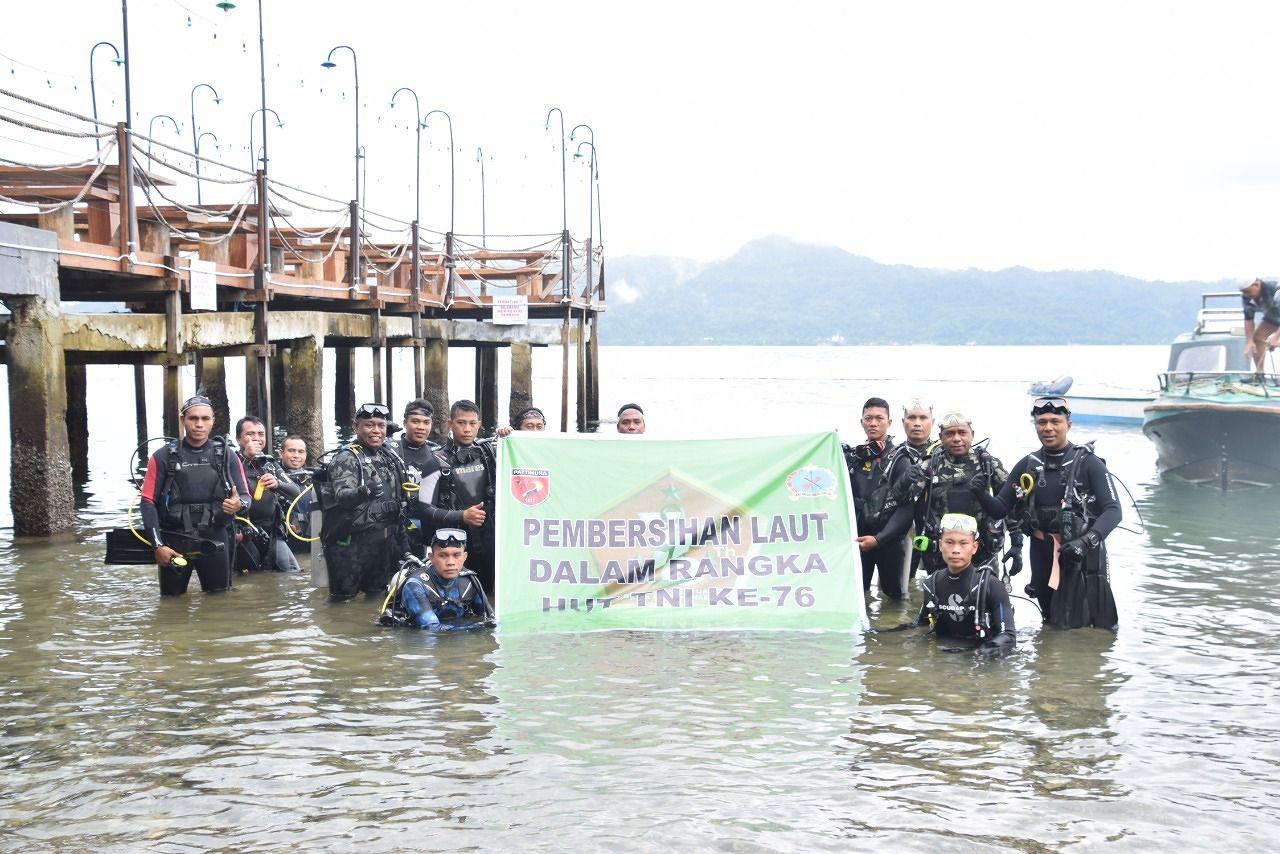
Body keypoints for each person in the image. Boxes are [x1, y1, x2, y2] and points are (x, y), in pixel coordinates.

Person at [974, 396, 1122, 629]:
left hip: (1080, 553)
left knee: (1084, 623)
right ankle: (1049, 663)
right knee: (1050, 621)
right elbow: (1001, 508)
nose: (1048, 428)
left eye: (1055, 421)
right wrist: (981, 495)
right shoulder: (1028, 464)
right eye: (1041, 422)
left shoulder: (1089, 463)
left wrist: (1086, 542)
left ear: (1068, 425)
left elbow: (1114, 511)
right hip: (1041, 551)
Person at [865, 409, 1023, 577]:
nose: (956, 439)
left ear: (972, 434)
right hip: (940, 555)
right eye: (950, 434)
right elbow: (902, 501)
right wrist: (904, 481)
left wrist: (1017, 544)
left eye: (962, 433)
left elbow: (1009, 504)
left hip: (982, 552)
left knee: (984, 599)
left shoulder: (988, 465)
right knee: (939, 601)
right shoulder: (930, 466)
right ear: (941, 437)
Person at [138, 395, 252, 595]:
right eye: (193, 418)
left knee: (219, 600)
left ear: (212, 421)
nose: (199, 424)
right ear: (183, 420)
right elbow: (147, 502)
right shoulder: (163, 456)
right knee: (171, 604)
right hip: (174, 538)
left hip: (215, 537)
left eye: (205, 419)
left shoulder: (227, 455)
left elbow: (245, 497)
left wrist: (238, 505)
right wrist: (158, 546)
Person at [319, 402, 414, 600]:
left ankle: (370, 632)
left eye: (381, 425)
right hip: (348, 545)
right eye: (369, 425)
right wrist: (365, 491)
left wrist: (403, 545)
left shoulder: (388, 456)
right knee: (342, 602)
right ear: (355, 427)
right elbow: (343, 497)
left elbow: (397, 504)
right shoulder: (346, 458)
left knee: (377, 597)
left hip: (381, 543)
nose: (376, 431)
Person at [913, 513, 1016, 656]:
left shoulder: (992, 586)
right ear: (941, 545)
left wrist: (975, 654)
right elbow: (920, 626)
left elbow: (1008, 636)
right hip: (943, 658)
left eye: (963, 543)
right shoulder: (932, 584)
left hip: (978, 663)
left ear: (974, 547)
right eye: (949, 542)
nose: (956, 550)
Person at [845, 397, 909, 600]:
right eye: (868, 418)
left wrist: (879, 539)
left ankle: (894, 632)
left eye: (879, 418)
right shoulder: (852, 458)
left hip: (888, 539)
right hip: (858, 539)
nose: (873, 423)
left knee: (894, 599)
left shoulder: (901, 459)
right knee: (857, 596)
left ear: (889, 422)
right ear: (861, 421)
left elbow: (906, 509)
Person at [432, 400, 496, 596]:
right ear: (449, 424)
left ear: (479, 424)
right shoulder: (435, 460)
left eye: (472, 423)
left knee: (489, 595)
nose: (467, 429)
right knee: (457, 596)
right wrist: (461, 516)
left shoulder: (490, 453)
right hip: (453, 542)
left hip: (489, 538)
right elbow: (422, 509)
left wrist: (509, 435)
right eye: (461, 423)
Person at [378, 528, 495, 630]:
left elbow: (490, 617)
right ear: (431, 557)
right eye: (443, 555)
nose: (450, 562)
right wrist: (478, 626)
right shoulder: (415, 585)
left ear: (464, 557)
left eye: (456, 555)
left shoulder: (470, 581)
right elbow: (431, 628)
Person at [386, 399, 459, 555]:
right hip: (397, 526)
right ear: (405, 423)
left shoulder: (437, 454)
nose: (421, 427)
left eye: (426, 422)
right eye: (415, 421)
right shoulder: (390, 452)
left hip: (429, 525)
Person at [234, 416, 301, 573]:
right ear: (238, 439)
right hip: (244, 531)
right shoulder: (232, 461)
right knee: (251, 579)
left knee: (292, 573)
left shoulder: (269, 463)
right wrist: (247, 456)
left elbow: (295, 492)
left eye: (261, 434)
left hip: (271, 532)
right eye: (250, 434)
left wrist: (277, 484)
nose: (257, 438)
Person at [896, 398, 938, 579]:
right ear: (902, 422)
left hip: (934, 532)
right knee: (898, 590)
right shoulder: (894, 455)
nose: (917, 423)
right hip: (901, 531)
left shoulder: (944, 454)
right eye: (911, 418)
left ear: (933, 422)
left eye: (923, 418)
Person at [279, 434, 313, 553]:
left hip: (310, 533)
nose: (296, 456)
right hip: (286, 534)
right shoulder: (273, 478)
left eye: (300, 451)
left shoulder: (312, 479)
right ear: (280, 453)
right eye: (291, 451)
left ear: (306, 455)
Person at [1240, 277, 1280, 372]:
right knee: (1257, 339)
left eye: (1248, 291)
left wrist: (1275, 337)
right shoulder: (1246, 297)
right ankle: (1260, 373)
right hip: (1273, 317)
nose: (1246, 295)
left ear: (1256, 285)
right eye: (1244, 292)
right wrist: (1250, 341)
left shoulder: (1276, 292)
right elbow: (1248, 318)